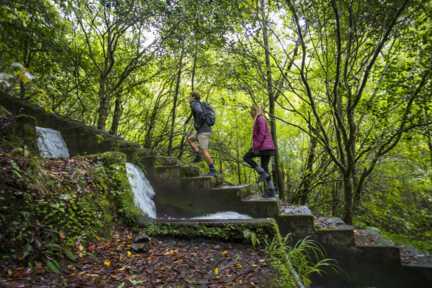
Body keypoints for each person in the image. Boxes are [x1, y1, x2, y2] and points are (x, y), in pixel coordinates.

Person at [243, 105, 277, 198]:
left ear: (255, 111)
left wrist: (256, 148)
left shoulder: (260, 118)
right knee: (265, 167)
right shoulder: (261, 119)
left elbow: (261, 134)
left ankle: (262, 173)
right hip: (267, 148)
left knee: (246, 157)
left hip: (263, 147)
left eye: (251, 111)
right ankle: (271, 190)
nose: (250, 113)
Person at [187, 91, 216, 176]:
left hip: (203, 131)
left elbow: (199, 112)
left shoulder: (194, 103)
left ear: (193, 97)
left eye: (189, 97)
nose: (188, 98)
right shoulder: (200, 104)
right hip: (204, 130)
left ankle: (213, 170)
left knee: (205, 151)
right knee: (190, 139)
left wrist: (198, 124)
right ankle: (198, 154)